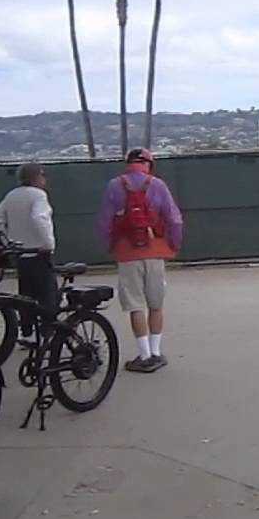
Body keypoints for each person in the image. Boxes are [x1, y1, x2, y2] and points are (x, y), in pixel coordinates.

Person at [98, 149, 184, 373]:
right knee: (156, 304)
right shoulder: (158, 185)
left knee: (135, 305)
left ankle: (143, 355)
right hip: (155, 248)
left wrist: (110, 245)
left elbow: (105, 220)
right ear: (149, 164)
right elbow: (174, 218)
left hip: (127, 252)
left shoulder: (114, 186)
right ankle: (156, 352)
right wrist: (173, 243)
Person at [0, 162, 56, 339]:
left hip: (21, 254)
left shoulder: (11, 195)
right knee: (47, 295)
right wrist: (49, 242)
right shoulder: (39, 196)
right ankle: (47, 331)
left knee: (25, 294)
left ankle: (27, 331)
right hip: (39, 252)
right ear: (36, 177)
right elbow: (39, 217)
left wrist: (9, 239)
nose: (45, 178)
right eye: (43, 174)